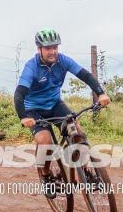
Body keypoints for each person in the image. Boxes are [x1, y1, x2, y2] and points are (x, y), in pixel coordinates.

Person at [14, 29, 110, 183]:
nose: (52, 52)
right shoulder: (31, 67)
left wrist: (101, 93)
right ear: (39, 49)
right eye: (48, 48)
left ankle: (84, 172)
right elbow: (19, 94)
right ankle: (46, 177)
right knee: (46, 143)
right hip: (33, 110)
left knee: (78, 133)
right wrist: (23, 117)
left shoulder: (63, 61)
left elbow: (85, 75)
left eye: (55, 47)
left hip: (55, 104)